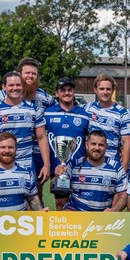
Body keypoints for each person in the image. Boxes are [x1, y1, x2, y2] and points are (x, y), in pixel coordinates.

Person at [0, 71, 50, 178]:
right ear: (4, 87)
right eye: (11, 85)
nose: (15, 88)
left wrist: (46, 165)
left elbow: (42, 138)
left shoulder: (33, 109)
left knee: (31, 195)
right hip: (2, 166)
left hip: (26, 166)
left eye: (18, 85)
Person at [44, 77, 90, 209]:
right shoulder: (48, 113)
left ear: (74, 92)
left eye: (70, 90)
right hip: (58, 167)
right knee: (60, 203)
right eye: (62, 90)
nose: (67, 93)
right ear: (57, 93)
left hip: (79, 167)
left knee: (81, 203)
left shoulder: (84, 114)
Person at [60, 130, 127, 212]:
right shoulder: (74, 165)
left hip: (102, 215)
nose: (97, 148)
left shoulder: (116, 168)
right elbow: (58, 187)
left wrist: (115, 210)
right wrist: (57, 177)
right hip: (76, 211)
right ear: (86, 145)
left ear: (106, 147)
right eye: (93, 144)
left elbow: (124, 194)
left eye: (101, 145)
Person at [85, 74, 130, 170]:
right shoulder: (88, 108)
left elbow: (127, 141)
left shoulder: (122, 112)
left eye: (108, 89)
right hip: (90, 163)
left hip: (112, 164)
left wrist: (124, 167)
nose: (105, 92)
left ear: (113, 90)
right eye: (102, 89)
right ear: (95, 90)